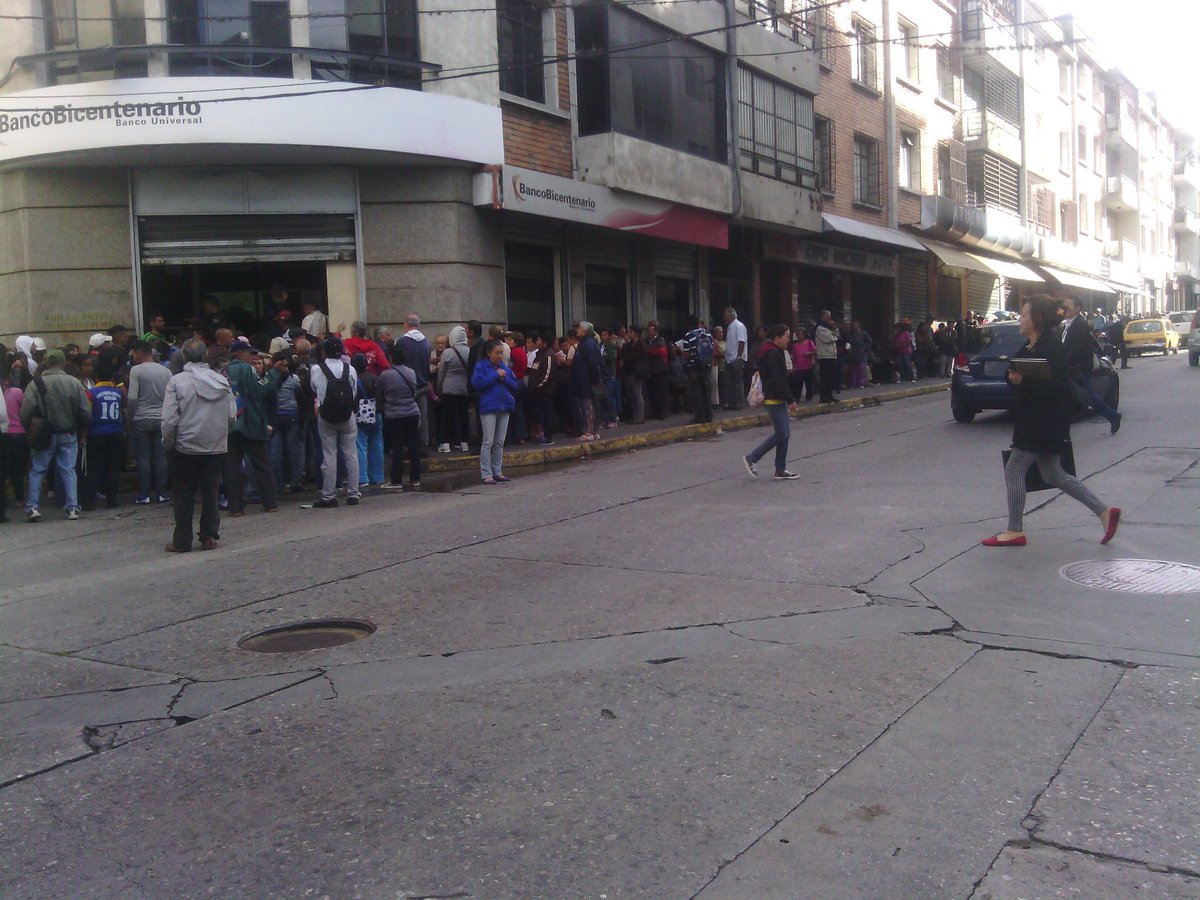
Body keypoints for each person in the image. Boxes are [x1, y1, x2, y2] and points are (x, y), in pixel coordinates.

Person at [983, 295, 1120, 548]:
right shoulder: (1031, 346)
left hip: (1042, 422)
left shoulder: (1052, 347)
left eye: (1024, 315)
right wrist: (1015, 379)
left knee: (1014, 470)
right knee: (1053, 474)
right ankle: (1104, 511)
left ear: (1038, 319)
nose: (1020, 320)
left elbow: (1057, 387)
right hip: (1037, 420)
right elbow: (1015, 374)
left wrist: (1023, 382)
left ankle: (1014, 530)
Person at [160, 339, 235, 551]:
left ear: (183, 356)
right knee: (211, 491)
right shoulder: (221, 381)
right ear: (205, 356)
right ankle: (208, 536)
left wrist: (168, 442)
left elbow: (169, 420)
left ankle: (182, 540)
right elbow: (231, 416)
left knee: (184, 493)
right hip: (215, 444)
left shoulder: (177, 382)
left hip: (185, 444)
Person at [20, 348, 91, 521]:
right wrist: (83, 427)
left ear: (46, 362)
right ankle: (73, 508)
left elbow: (26, 411)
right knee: (68, 470)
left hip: (44, 434)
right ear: (64, 362)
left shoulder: (35, 383)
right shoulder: (73, 382)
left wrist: (28, 428)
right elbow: (84, 411)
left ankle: (33, 507)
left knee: (38, 470)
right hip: (68, 432)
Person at [224, 338, 284, 516]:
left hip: (230, 425)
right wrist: (274, 373)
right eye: (250, 353)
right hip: (250, 423)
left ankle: (235, 507)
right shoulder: (246, 369)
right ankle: (270, 503)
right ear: (240, 353)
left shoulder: (223, 371)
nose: (252, 357)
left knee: (231, 468)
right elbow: (259, 389)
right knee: (262, 465)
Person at [742, 325, 800, 481]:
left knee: (784, 434)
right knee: (782, 433)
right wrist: (790, 399)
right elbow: (778, 379)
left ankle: (780, 469)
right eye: (786, 336)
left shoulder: (769, 351)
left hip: (775, 396)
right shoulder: (773, 353)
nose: (788, 340)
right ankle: (752, 457)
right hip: (774, 397)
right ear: (777, 338)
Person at [309, 337, 361, 508]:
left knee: (329, 455)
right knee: (351, 454)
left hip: (326, 415)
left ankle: (329, 495)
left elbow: (314, 389)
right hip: (347, 415)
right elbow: (353, 392)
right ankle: (353, 493)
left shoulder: (317, 369)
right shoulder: (350, 369)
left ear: (323, 352)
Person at [1060, 295, 1121, 434]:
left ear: (1077, 308)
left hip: (1078, 367)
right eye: (1063, 307)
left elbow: (1079, 348)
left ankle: (1113, 415)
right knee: (1080, 396)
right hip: (1070, 367)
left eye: (1067, 307)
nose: (1064, 310)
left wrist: (1064, 359)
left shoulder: (1080, 324)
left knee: (1087, 396)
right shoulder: (1067, 324)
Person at [127, 339, 172, 504]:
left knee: (143, 457)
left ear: (139, 352)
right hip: (161, 417)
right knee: (161, 457)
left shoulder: (136, 371)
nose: (132, 356)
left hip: (141, 417)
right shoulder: (165, 371)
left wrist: (130, 416)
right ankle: (162, 492)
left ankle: (144, 494)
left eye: (133, 353)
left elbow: (132, 397)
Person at [471, 339, 518, 484]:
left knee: (499, 442)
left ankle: (497, 470)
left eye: (501, 353)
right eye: (496, 353)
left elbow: (515, 386)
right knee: (488, 441)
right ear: (488, 353)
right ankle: (486, 473)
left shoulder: (505, 368)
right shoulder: (481, 367)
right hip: (489, 406)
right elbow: (477, 384)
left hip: (504, 406)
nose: (499, 356)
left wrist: (504, 378)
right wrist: (496, 376)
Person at [82, 357, 126, 510]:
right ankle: (112, 500)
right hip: (115, 432)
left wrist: (83, 435)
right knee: (112, 467)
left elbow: (87, 415)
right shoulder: (118, 393)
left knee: (93, 467)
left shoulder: (91, 393)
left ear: (96, 377)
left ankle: (90, 501)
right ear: (112, 377)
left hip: (96, 433)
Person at [377, 343, 422, 489]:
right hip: (412, 412)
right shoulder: (411, 372)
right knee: (413, 445)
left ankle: (396, 479)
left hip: (394, 414)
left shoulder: (385, 375)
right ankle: (415, 477)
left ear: (391, 358)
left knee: (397, 447)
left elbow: (380, 393)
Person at [397, 313, 432, 450]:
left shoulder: (401, 342)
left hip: (405, 386)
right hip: (423, 385)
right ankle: (423, 446)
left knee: (406, 419)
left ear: (406, 325)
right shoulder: (426, 342)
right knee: (422, 418)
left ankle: (408, 447)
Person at [350, 352, 384, 488]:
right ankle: (378, 476)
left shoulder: (353, 379)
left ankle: (363, 477)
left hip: (361, 414)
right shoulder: (374, 377)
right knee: (377, 444)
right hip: (376, 413)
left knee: (360, 445)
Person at [436, 325, 471, 452]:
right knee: (463, 416)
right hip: (464, 389)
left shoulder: (447, 353)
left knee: (447, 417)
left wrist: (439, 389)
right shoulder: (469, 351)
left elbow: (441, 373)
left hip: (448, 389)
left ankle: (446, 444)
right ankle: (464, 442)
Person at [676, 315, 714, 424]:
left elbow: (687, 354)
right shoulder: (707, 333)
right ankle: (709, 415)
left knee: (696, 392)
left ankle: (699, 416)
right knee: (706, 391)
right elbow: (711, 348)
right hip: (706, 366)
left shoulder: (688, 336)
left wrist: (680, 351)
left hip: (694, 367)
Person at [571, 321, 604, 441]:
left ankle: (590, 431)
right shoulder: (585, 344)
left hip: (586, 381)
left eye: (579, 329)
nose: (577, 331)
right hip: (584, 380)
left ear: (584, 331)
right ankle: (593, 430)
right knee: (589, 405)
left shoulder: (588, 345)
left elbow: (593, 364)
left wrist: (596, 379)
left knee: (588, 406)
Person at [723, 307, 748, 410]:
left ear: (730, 315)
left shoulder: (739, 326)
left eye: (725, 315)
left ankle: (738, 402)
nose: (724, 318)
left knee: (737, 381)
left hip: (736, 358)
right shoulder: (730, 327)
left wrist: (738, 357)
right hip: (729, 358)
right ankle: (731, 402)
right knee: (729, 382)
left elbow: (741, 342)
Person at [645, 320, 670, 420]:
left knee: (662, 392)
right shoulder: (646, 341)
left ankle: (663, 412)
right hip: (651, 370)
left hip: (660, 369)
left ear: (655, 331)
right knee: (653, 392)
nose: (649, 333)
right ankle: (654, 411)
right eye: (648, 331)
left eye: (651, 331)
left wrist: (650, 351)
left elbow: (659, 351)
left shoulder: (660, 340)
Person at [815, 311, 839, 404]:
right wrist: (835, 337)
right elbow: (829, 339)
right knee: (825, 377)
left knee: (830, 376)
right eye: (827, 317)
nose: (829, 319)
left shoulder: (829, 328)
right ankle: (823, 396)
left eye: (830, 317)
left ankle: (829, 395)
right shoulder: (820, 328)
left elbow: (837, 335)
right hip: (824, 356)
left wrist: (835, 328)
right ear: (822, 317)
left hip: (832, 355)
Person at [789, 327, 816, 401]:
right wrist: (793, 366)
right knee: (798, 383)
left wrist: (809, 353)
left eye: (801, 335)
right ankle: (797, 397)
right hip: (799, 366)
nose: (800, 336)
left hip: (808, 365)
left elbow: (815, 351)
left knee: (809, 382)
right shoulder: (795, 345)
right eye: (798, 335)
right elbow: (793, 356)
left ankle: (809, 396)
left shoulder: (809, 342)